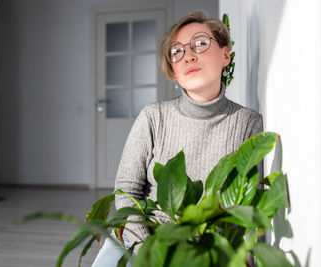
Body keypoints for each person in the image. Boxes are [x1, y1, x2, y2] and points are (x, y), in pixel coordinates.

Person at [92, 10, 263, 267]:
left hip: (207, 252)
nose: (189, 56)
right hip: (143, 242)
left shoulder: (247, 122)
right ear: (172, 70)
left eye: (200, 44)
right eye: (177, 51)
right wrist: (147, 251)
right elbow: (126, 188)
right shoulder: (153, 117)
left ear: (225, 55)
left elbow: (251, 205)